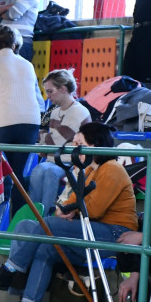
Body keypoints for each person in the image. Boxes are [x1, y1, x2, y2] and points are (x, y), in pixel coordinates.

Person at [0, 123, 138, 302]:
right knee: (45, 248)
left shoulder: (112, 169)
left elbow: (94, 209)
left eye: (79, 144)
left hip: (115, 233)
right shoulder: (89, 170)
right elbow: (69, 202)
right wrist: (66, 209)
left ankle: (11, 270)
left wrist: (70, 210)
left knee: (49, 224)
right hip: (90, 230)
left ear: (96, 145)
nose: (74, 149)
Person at [0, 25, 42, 210]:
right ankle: (16, 220)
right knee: (18, 174)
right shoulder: (27, 64)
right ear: (14, 45)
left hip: (4, 122)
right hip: (31, 122)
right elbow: (38, 98)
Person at [30, 70, 92, 213]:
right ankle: (35, 213)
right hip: (54, 159)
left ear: (63, 89)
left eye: (50, 91)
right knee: (39, 170)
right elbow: (51, 141)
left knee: (49, 172)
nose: (48, 96)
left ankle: (46, 216)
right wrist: (44, 139)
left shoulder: (78, 112)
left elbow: (55, 141)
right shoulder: (54, 112)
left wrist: (39, 135)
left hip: (72, 162)